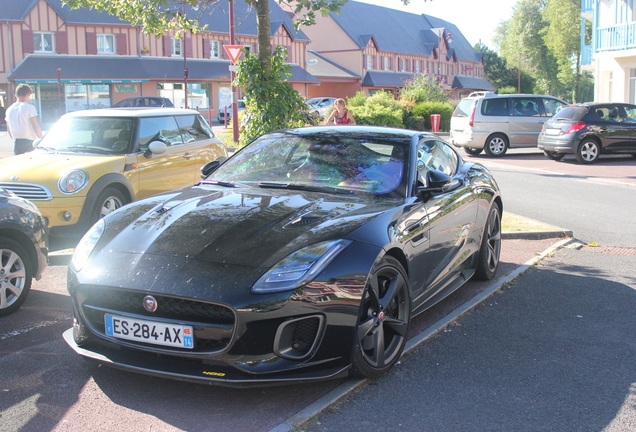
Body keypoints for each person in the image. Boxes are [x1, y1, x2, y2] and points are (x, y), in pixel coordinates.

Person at [5, 84, 43, 155]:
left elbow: (8, 128)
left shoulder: (9, 109)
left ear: (16, 95)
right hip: (30, 141)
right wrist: (41, 139)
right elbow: (35, 126)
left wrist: (13, 139)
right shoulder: (29, 108)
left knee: (19, 164)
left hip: (16, 142)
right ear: (27, 94)